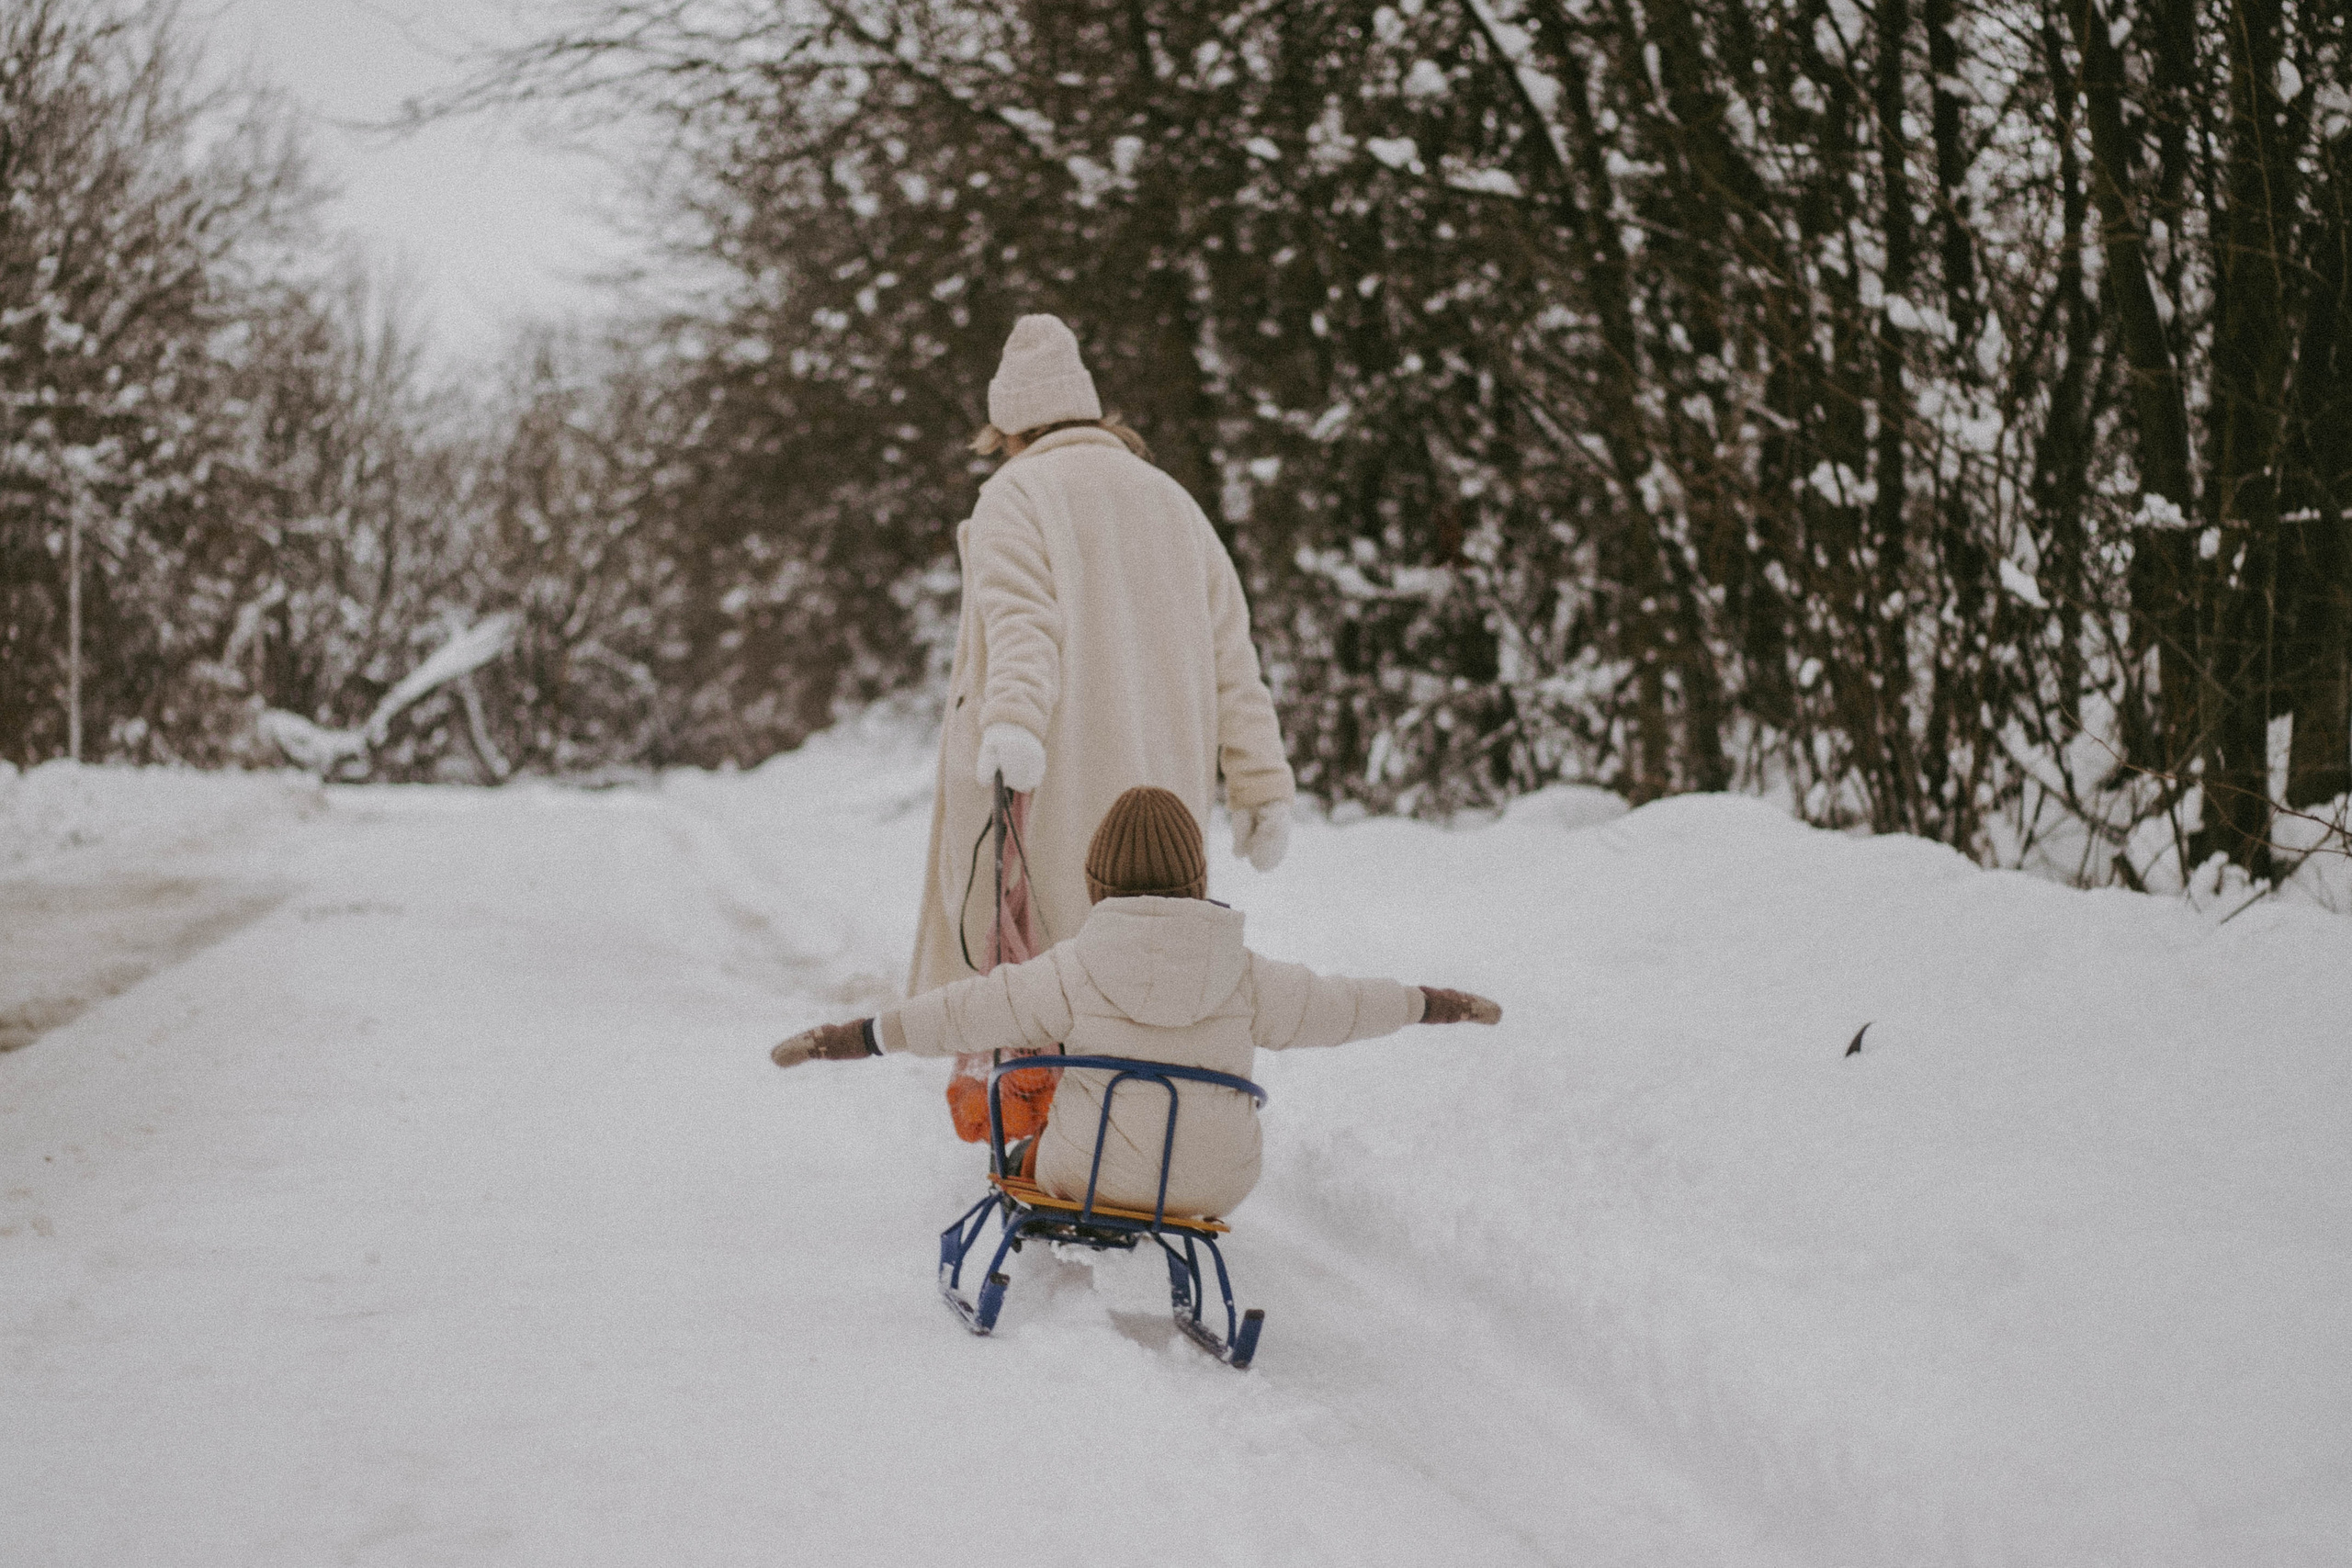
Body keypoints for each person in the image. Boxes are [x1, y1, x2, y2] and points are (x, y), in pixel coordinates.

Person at [775, 787, 1501, 1219]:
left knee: (1028, 1136)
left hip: (1084, 1177)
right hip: (1219, 1182)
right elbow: (1343, 1006)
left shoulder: (1073, 968)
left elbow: (965, 1012)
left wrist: (858, 1036)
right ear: (1196, 880)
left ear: (1097, 885)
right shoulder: (1246, 975)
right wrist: (1430, 1002)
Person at [907, 314, 1296, 1004]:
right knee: (1149, 981)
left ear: (1010, 430)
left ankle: (1047, 1106)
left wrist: (1014, 723)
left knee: (1048, 982)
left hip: (1061, 781)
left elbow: (1023, 624)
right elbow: (1232, 659)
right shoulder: (1174, 501)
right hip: (1165, 790)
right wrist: (1259, 782)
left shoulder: (1016, 494)